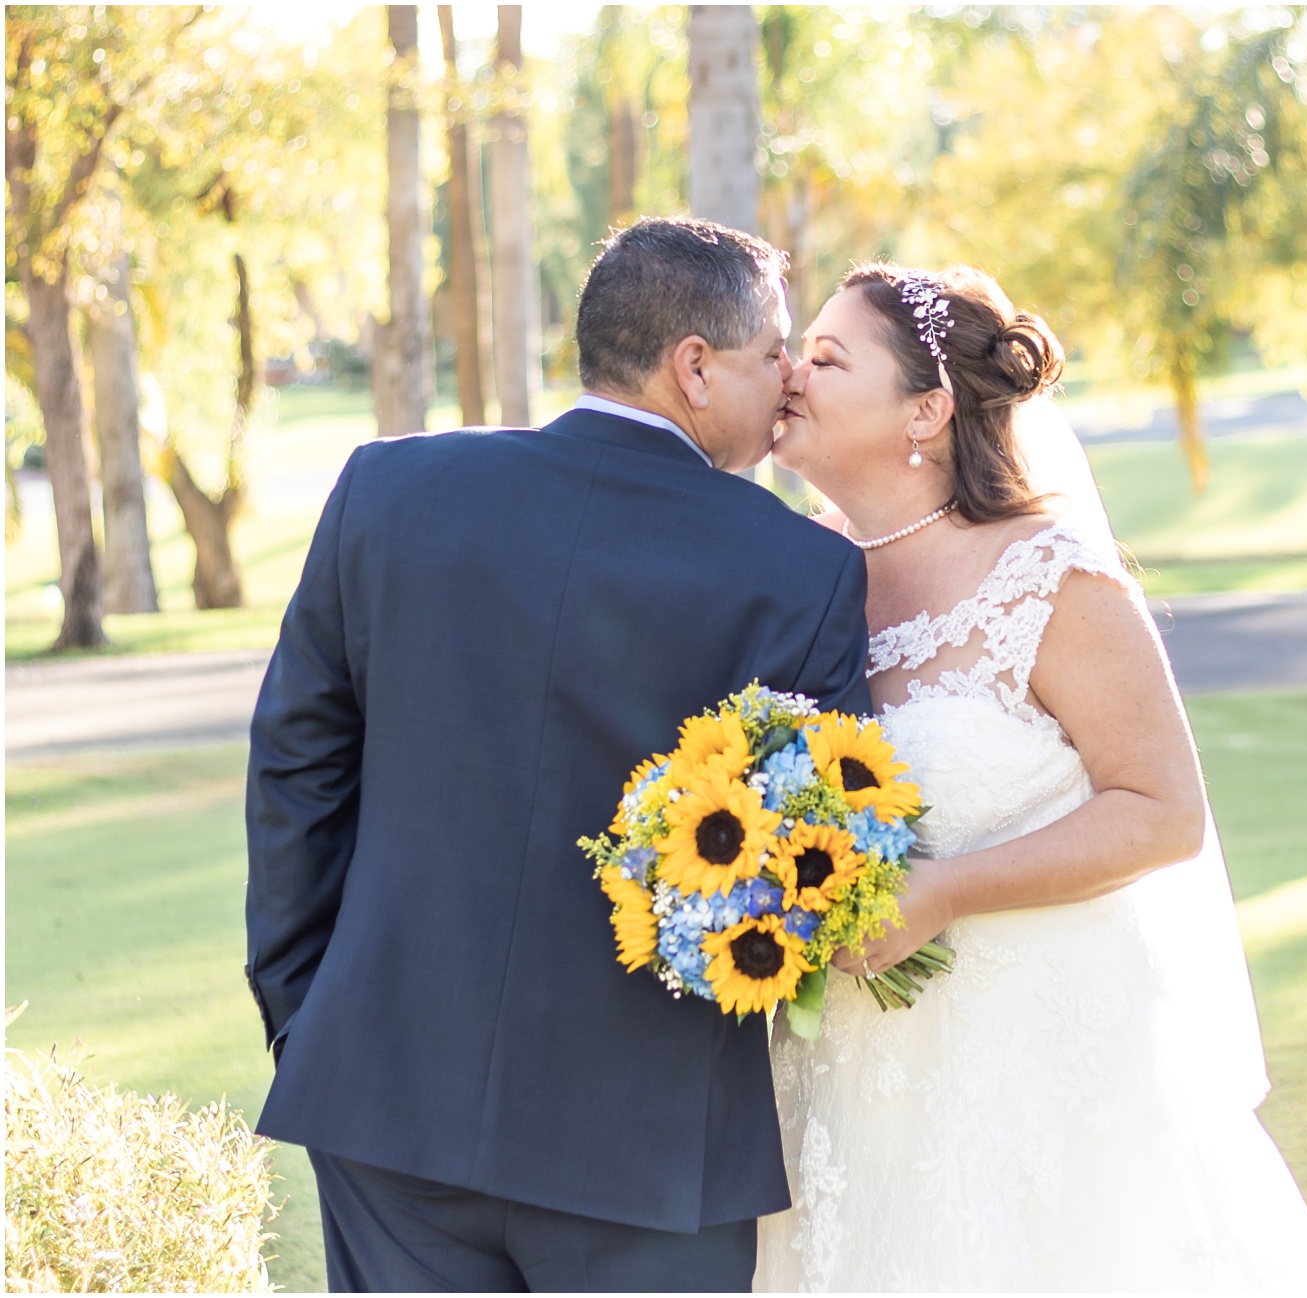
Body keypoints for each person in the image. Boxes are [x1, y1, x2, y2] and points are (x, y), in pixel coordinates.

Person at [243, 218, 871, 1292]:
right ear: (694, 367)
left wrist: (305, 1012)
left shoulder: (389, 493)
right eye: (775, 353)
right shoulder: (800, 570)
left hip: (385, 1091)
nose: (790, 382)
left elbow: (298, 763)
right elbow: (815, 860)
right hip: (651, 1140)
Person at [755, 263, 1307, 1290]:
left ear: (926, 410)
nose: (791, 374)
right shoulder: (799, 573)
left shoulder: (1047, 575)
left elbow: (1162, 811)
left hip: (1039, 1074)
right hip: (849, 1075)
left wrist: (944, 889)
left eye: (828, 357)